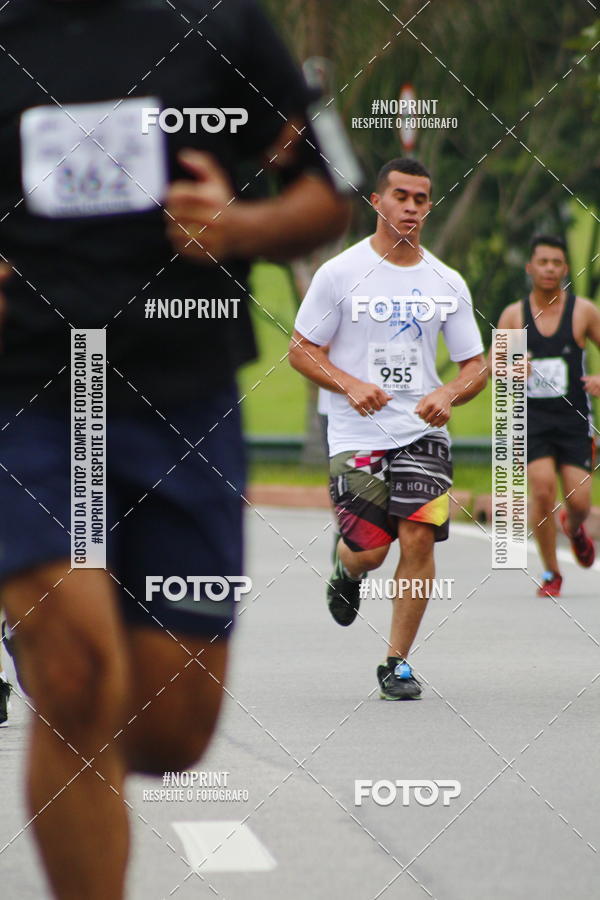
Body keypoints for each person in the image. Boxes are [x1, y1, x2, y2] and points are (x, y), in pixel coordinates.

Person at [0, 2, 352, 897]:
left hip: (180, 401)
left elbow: (327, 192)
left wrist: (238, 229)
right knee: (77, 672)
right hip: (29, 396)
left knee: (169, 730)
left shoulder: (223, 24)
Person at [289, 157, 487, 700]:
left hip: (422, 434)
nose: (411, 207)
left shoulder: (446, 281)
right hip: (356, 433)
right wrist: (350, 384)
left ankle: (396, 664)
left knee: (418, 538)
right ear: (377, 202)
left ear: (429, 207)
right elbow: (301, 350)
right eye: (401, 196)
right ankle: (347, 569)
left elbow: (475, 365)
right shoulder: (340, 273)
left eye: (421, 199)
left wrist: (448, 393)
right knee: (370, 552)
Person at [494, 235, 600, 597]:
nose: (550, 269)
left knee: (580, 502)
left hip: (573, 421)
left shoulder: (583, 312)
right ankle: (552, 571)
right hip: (532, 421)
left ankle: (574, 526)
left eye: (557, 263)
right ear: (530, 267)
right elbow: (492, 367)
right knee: (541, 491)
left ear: (565, 269)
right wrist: (512, 367)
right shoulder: (514, 315)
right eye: (543, 262)